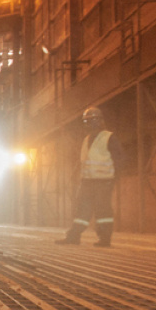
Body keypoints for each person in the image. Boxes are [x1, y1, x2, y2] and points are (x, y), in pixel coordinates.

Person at [56, 106, 123, 247]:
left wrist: (114, 178)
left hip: (103, 181)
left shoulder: (109, 137)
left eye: (91, 120)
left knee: (103, 210)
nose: (89, 123)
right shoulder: (86, 139)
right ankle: (73, 237)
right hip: (87, 182)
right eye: (86, 121)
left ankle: (105, 239)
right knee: (81, 209)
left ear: (99, 121)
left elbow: (119, 159)